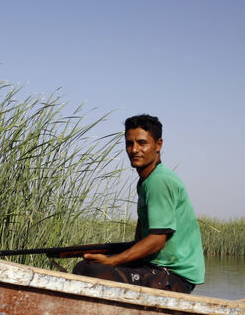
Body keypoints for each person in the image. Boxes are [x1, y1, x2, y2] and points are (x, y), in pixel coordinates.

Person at [73, 114, 205, 294]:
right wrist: (109, 254)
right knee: (87, 265)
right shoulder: (145, 182)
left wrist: (113, 261)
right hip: (155, 267)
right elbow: (141, 239)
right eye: (129, 143)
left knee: (88, 270)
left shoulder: (159, 181)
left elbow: (157, 241)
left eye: (142, 143)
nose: (134, 149)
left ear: (158, 145)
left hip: (173, 277)